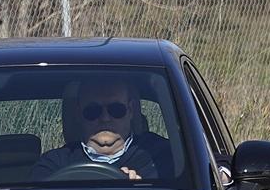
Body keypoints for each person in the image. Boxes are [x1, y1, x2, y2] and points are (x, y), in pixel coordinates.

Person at [32, 76, 169, 180]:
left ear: (131, 110)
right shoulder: (53, 165)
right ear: (79, 114)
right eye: (93, 111)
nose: (105, 118)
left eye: (116, 109)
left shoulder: (163, 158)